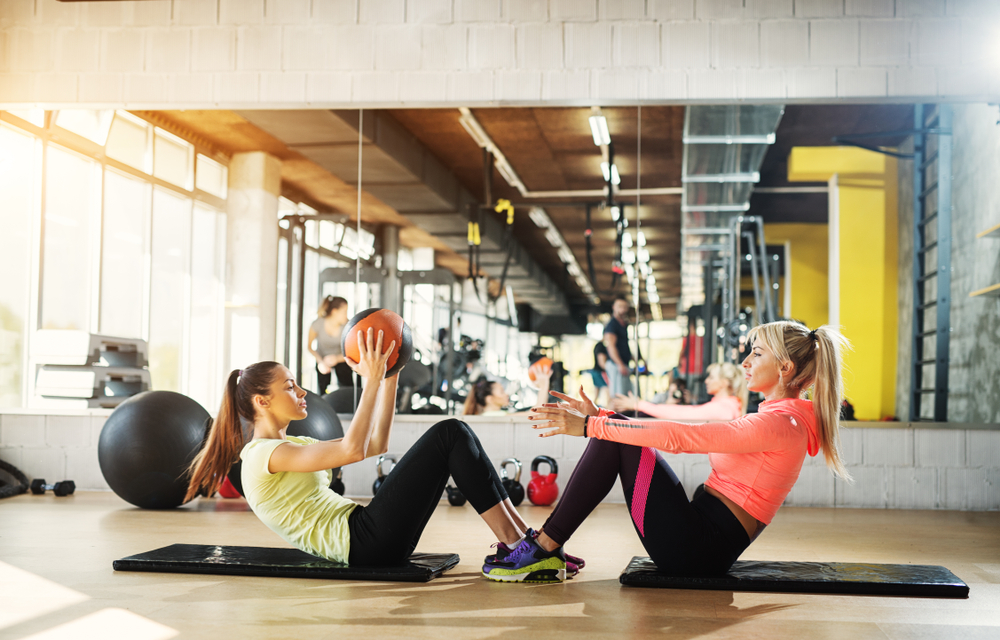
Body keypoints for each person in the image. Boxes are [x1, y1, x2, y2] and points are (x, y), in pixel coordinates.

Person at [184, 328, 579, 581]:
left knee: (455, 433)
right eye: (290, 386)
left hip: (367, 533)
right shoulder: (262, 456)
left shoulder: (293, 446)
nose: (302, 392)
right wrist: (370, 380)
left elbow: (375, 445)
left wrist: (389, 376)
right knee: (450, 433)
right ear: (261, 401)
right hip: (362, 543)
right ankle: (516, 547)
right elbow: (353, 448)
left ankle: (526, 541)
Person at [487, 321, 850, 579]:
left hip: (696, 551)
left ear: (785, 368)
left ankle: (544, 548)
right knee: (615, 428)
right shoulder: (781, 419)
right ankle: (546, 547)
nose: (745, 364)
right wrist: (600, 416)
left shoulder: (779, 425)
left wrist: (591, 426)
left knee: (614, 433)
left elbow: (686, 438)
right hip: (699, 537)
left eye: (756, 354)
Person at [611, 362, 747, 421]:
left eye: (711, 377)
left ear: (724, 383)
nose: (706, 381)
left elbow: (684, 414)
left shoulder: (724, 408)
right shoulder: (726, 405)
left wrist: (640, 405)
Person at [462, 360, 552, 417]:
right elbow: (536, 414)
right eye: (502, 392)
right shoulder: (495, 417)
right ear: (490, 399)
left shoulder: (490, 416)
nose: (506, 394)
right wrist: (544, 384)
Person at [307, 296, 352, 394]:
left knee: (347, 388)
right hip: (323, 359)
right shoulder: (317, 324)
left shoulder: (348, 326)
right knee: (323, 389)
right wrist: (320, 362)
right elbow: (309, 347)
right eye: (344, 312)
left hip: (341, 358)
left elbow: (353, 351)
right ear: (334, 312)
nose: (346, 315)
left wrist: (337, 358)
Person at [603, 297, 633, 398]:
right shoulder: (612, 325)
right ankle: (611, 414)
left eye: (625, 307)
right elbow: (611, 346)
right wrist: (620, 364)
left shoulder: (623, 325)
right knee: (617, 397)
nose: (622, 309)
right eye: (620, 306)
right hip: (616, 365)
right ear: (614, 307)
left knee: (624, 395)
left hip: (624, 364)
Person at [589, 342, 610, 406]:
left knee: (596, 396)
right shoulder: (601, 346)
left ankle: (592, 408)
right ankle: (609, 410)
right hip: (600, 372)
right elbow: (602, 362)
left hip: (595, 371)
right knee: (608, 391)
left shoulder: (598, 345)